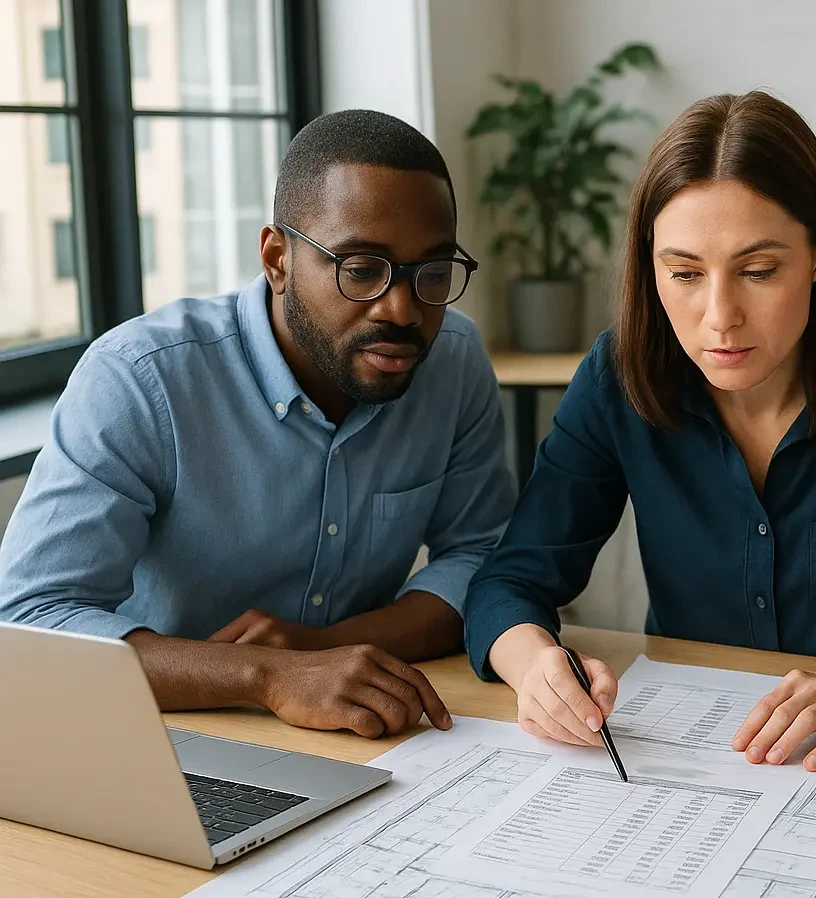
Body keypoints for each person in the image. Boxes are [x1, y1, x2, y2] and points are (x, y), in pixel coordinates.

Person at [464, 91, 816, 771]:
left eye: (758, 271)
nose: (720, 315)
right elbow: (510, 581)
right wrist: (535, 665)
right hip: (690, 753)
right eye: (685, 273)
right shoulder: (618, 374)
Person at [0, 109, 514, 739]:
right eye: (361, 270)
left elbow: (485, 558)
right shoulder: (139, 379)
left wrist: (324, 649)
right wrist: (264, 674)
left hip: (354, 727)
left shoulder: (453, 361)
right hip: (152, 738)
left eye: (431, 274)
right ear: (277, 259)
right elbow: (29, 623)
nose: (402, 309)